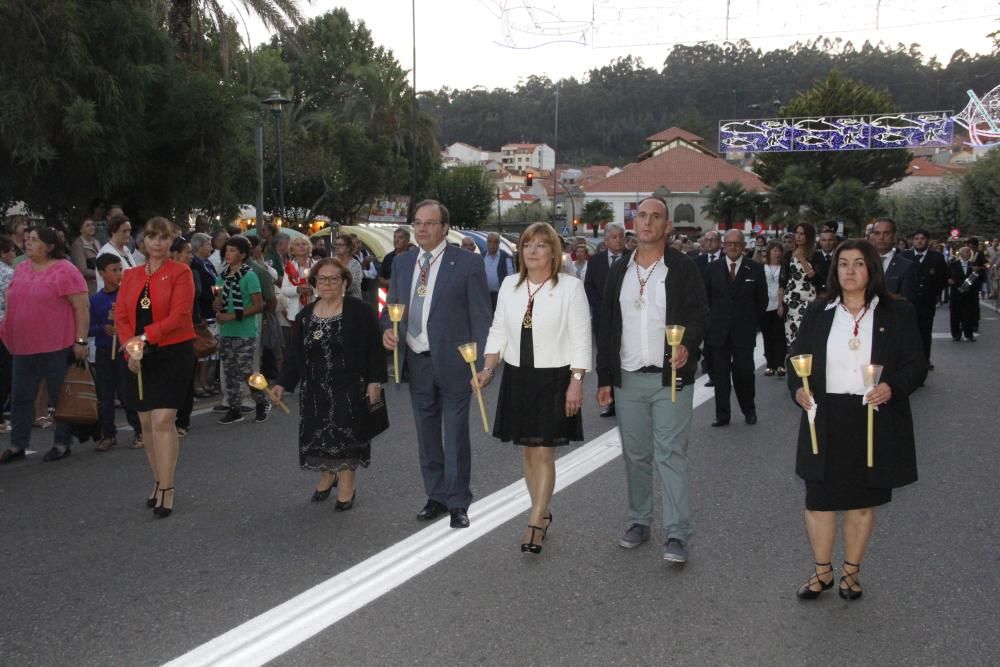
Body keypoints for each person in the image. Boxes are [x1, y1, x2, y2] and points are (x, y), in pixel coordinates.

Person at [787, 239, 925, 600]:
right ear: (835, 270)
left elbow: (915, 365)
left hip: (871, 415)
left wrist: (892, 387)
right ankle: (822, 572)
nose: (849, 271)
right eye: (843, 264)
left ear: (872, 270)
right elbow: (796, 358)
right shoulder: (819, 311)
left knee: (861, 500)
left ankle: (851, 572)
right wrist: (797, 391)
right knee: (818, 498)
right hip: (824, 415)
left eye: (858, 264)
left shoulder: (898, 313)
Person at [595, 196, 708, 563]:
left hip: (670, 377)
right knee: (636, 455)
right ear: (634, 222)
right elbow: (607, 327)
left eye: (656, 216)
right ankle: (639, 521)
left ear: (667, 226)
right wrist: (605, 378)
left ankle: (677, 533)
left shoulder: (683, 268)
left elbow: (698, 315)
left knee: (670, 454)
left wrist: (688, 345)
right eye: (642, 215)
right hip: (628, 379)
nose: (647, 222)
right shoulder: (619, 271)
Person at [475, 222, 591, 553]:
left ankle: (535, 520)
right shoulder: (511, 285)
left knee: (543, 450)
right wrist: (487, 369)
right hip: (518, 376)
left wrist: (576, 383)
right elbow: (498, 331)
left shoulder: (570, 287)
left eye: (541, 245)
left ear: (554, 252)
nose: (533, 250)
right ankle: (542, 511)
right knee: (528, 449)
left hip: (554, 378)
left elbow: (581, 337)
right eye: (527, 245)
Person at [381, 199, 491, 529]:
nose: (423, 229)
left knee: (455, 433)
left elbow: (481, 317)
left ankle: (458, 501)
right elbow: (392, 310)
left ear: (445, 228)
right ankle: (436, 495)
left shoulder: (468, 262)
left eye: (430, 223)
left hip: (457, 362)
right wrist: (388, 331)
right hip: (417, 360)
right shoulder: (402, 264)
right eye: (418, 223)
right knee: (426, 433)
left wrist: (485, 365)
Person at [273, 258, 386, 510]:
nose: (327, 284)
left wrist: (374, 382)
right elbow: (294, 355)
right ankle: (328, 474)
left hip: (349, 385)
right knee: (320, 434)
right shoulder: (305, 316)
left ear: (344, 282)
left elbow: (374, 350)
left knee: (346, 434)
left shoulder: (360, 311)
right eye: (321, 279)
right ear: (314, 283)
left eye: (333, 278)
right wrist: (282, 383)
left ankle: (347, 484)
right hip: (315, 388)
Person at [116, 218, 195, 516]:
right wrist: (131, 348)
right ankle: (158, 479)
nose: (158, 243)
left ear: (170, 241)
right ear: (144, 241)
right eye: (152, 237)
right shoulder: (132, 275)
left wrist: (144, 338)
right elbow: (123, 316)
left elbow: (180, 315)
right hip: (138, 352)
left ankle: (168, 486)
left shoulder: (181, 272)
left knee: (164, 420)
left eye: (163, 238)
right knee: (147, 423)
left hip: (172, 351)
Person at [0, 227, 90, 463]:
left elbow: (81, 308)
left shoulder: (65, 270)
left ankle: (62, 442)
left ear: (49, 246)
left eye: (34, 240)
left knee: (59, 396)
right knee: (21, 396)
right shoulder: (20, 268)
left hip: (56, 344)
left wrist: (80, 340)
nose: (27, 243)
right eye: (27, 239)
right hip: (23, 345)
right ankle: (18, 444)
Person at [704, 230, 768, 427]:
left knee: (744, 374)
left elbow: (762, 300)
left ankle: (749, 410)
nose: (732, 247)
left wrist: (750, 323)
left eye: (737, 243)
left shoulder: (755, 269)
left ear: (743, 246)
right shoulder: (711, 269)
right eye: (729, 243)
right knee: (720, 375)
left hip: (744, 332)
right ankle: (722, 415)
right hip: (719, 332)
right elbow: (705, 300)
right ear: (723, 245)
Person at [214, 235, 270, 425]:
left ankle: (262, 402)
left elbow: (258, 305)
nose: (228, 254)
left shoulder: (250, 276)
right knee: (230, 371)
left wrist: (232, 315)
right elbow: (218, 301)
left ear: (243, 254)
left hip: (244, 330)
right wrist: (217, 303)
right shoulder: (221, 277)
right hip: (226, 330)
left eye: (232, 250)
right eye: (226, 250)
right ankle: (234, 408)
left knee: (246, 370)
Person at [89, 254, 143, 451]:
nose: (119, 274)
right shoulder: (96, 300)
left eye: (120, 269)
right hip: (105, 350)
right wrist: (103, 327)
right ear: (102, 274)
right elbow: (88, 327)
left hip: (124, 349)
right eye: (114, 270)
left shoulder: (129, 294)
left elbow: (139, 321)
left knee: (127, 391)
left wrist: (124, 324)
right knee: (105, 395)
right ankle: (108, 434)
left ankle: (139, 431)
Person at [902, 229, 949, 369]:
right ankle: (908, 361)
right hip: (907, 301)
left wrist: (934, 293)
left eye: (922, 238)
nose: (919, 241)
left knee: (925, 332)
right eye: (916, 238)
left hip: (926, 302)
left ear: (927, 240)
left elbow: (943, 279)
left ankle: (924, 360)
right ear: (912, 241)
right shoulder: (905, 256)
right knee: (907, 333)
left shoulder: (937, 257)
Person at [170, 238, 200, 438]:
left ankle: (183, 420)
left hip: (186, 331)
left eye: (191, 252)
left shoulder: (192, 273)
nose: (190, 256)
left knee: (185, 378)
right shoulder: (160, 273)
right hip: (165, 334)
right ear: (174, 254)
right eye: (186, 252)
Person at [779, 222, 821, 347]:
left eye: (802, 234)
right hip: (791, 302)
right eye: (796, 233)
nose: (798, 236)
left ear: (809, 236)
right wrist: (780, 304)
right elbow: (782, 280)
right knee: (792, 339)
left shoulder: (816, 255)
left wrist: (802, 260)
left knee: (808, 337)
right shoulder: (787, 255)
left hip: (809, 301)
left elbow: (817, 280)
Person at [189, 233, 219, 397]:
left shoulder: (208, 263)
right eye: (208, 244)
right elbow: (198, 291)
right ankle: (198, 383)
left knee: (211, 349)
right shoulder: (195, 264)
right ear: (199, 247)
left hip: (213, 308)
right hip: (202, 309)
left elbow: (215, 283)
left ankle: (207, 381)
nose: (211, 247)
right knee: (202, 349)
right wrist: (212, 298)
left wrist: (218, 296)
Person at [693, 231, 723, 387]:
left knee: (718, 345)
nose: (709, 243)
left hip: (721, 310)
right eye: (707, 240)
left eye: (713, 240)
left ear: (719, 242)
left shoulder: (726, 259)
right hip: (702, 309)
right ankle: (711, 372)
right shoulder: (698, 261)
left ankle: (719, 373)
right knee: (706, 344)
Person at [869, 218, 918, 303]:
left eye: (886, 233)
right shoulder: (862, 263)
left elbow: (908, 300)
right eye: (877, 233)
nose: (881, 237)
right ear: (872, 237)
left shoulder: (907, 266)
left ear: (894, 237)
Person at [760, 242, 787, 377]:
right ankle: (770, 364)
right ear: (769, 252)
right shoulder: (762, 267)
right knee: (767, 336)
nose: (777, 253)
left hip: (779, 305)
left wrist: (781, 304)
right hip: (765, 305)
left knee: (779, 336)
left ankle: (780, 364)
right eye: (774, 250)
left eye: (779, 251)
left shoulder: (783, 268)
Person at [281, 236, 317, 327]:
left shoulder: (316, 266)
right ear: (293, 249)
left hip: (315, 310)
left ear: (308, 247)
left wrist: (312, 291)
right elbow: (284, 290)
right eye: (297, 244)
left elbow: (323, 287)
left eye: (304, 244)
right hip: (296, 313)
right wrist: (297, 289)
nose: (301, 246)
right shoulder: (289, 267)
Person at [0, 236, 16, 433]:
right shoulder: (9, 274)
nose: (14, 254)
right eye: (11, 250)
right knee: (4, 371)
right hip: (4, 327)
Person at [948, 247, 980, 342]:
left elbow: (978, 279)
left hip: (969, 294)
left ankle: (968, 334)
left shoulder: (972, 264)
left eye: (970, 252)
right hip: (956, 293)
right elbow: (947, 275)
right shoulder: (953, 264)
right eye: (967, 252)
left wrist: (976, 272)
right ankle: (956, 334)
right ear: (961, 254)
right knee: (955, 315)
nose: (969, 254)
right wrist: (948, 280)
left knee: (968, 315)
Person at [96, 215, 136, 290]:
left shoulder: (125, 249)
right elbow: (113, 281)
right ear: (113, 232)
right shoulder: (106, 253)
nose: (128, 234)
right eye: (124, 231)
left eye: (129, 230)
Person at [483, 232, 514, 313]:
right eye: (490, 241)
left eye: (495, 242)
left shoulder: (506, 257)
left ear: (499, 243)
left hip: (499, 295)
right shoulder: (482, 256)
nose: (492, 244)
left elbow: (510, 275)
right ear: (487, 242)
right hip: (485, 295)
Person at [70, 217, 102, 295]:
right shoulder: (78, 245)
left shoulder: (97, 242)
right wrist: (101, 274)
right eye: (87, 225)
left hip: (101, 283)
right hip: (89, 286)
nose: (91, 227)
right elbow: (82, 270)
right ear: (81, 230)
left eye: (92, 224)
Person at [333, 235, 363, 301]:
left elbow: (353, 285)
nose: (337, 247)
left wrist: (335, 286)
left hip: (353, 301)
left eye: (340, 245)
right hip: (335, 301)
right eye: (336, 244)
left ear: (348, 248)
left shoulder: (355, 265)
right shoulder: (331, 263)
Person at [813, 226, 838, 294]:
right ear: (820, 242)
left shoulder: (839, 257)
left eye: (830, 240)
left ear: (835, 241)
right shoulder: (813, 258)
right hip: (817, 295)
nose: (827, 243)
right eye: (824, 240)